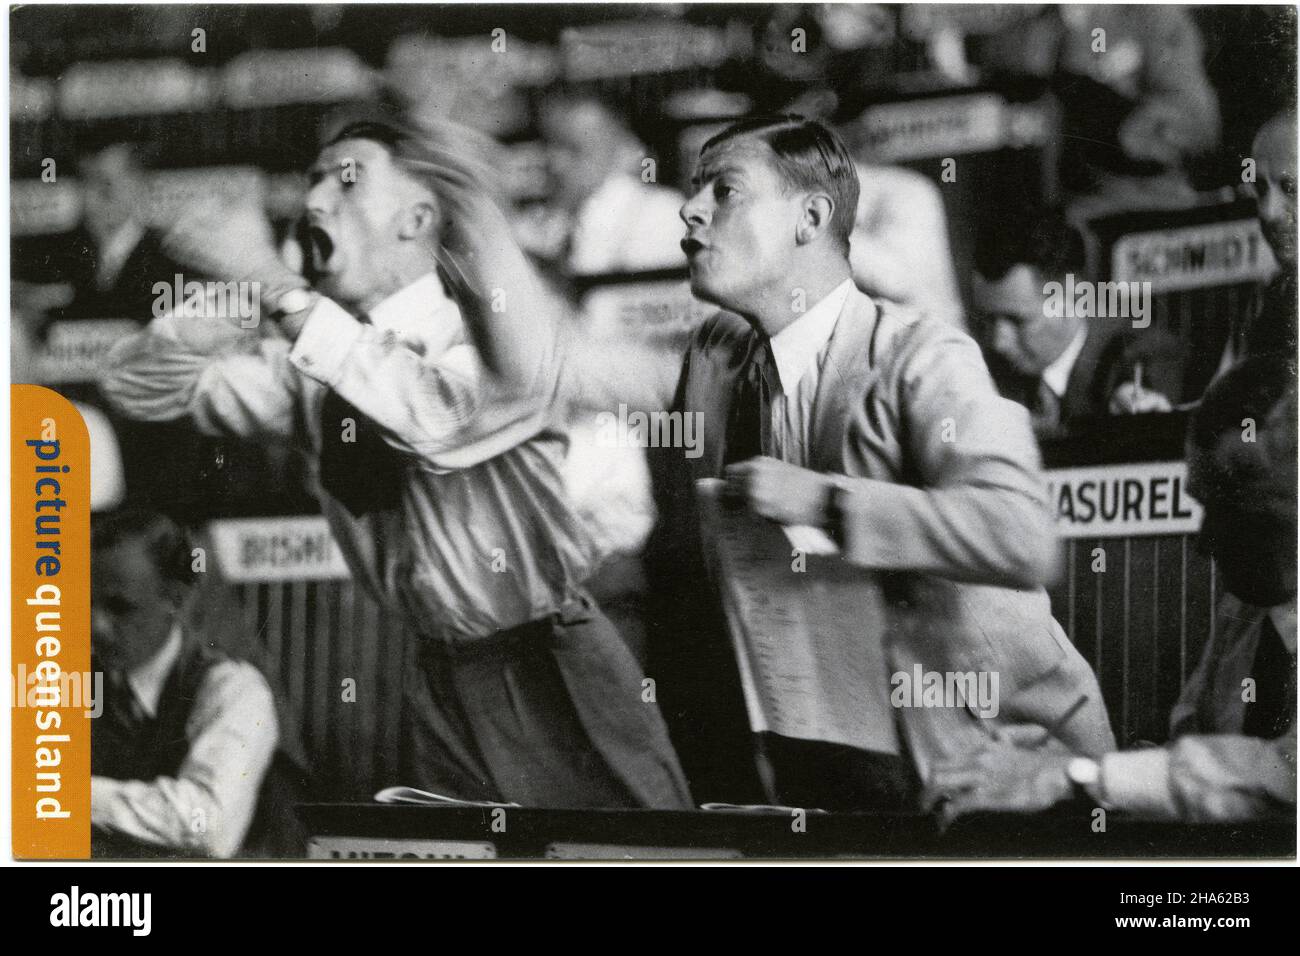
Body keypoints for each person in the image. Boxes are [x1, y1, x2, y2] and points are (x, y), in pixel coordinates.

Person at [101, 115, 692, 810]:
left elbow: (431, 417)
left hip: (545, 654)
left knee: (627, 854)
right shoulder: (317, 359)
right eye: (315, 181)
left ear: (417, 218)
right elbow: (140, 387)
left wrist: (278, 286)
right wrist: (239, 299)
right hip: (435, 665)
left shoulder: (489, 331)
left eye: (346, 181)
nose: (316, 199)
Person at [648, 114, 1115, 808]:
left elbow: (1022, 534)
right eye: (694, 189)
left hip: (995, 768)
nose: (690, 209)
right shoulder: (716, 357)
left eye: (725, 190)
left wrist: (829, 504)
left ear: (811, 217)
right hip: (822, 769)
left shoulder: (925, 356)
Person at [925, 353, 1296, 823]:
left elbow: (1285, 778)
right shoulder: (1245, 611)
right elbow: (1193, 758)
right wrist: (1060, 760)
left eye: (1238, 507)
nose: (1204, 542)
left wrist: (1078, 775)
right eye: (1206, 506)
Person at [90, 509, 284, 857]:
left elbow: (208, 824)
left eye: (120, 608)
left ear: (175, 600)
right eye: (84, 604)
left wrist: (61, 795)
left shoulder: (234, 691)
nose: (95, 627)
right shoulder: (74, 679)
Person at [971, 207, 1185, 434]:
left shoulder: (1141, 355)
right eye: (988, 320)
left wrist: (1132, 410)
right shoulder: (982, 372)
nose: (997, 342)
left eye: (1017, 321)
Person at [532, 92, 686, 276]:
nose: (555, 163)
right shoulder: (540, 223)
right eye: (547, 145)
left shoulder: (662, 211)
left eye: (574, 149)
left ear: (625, 149)